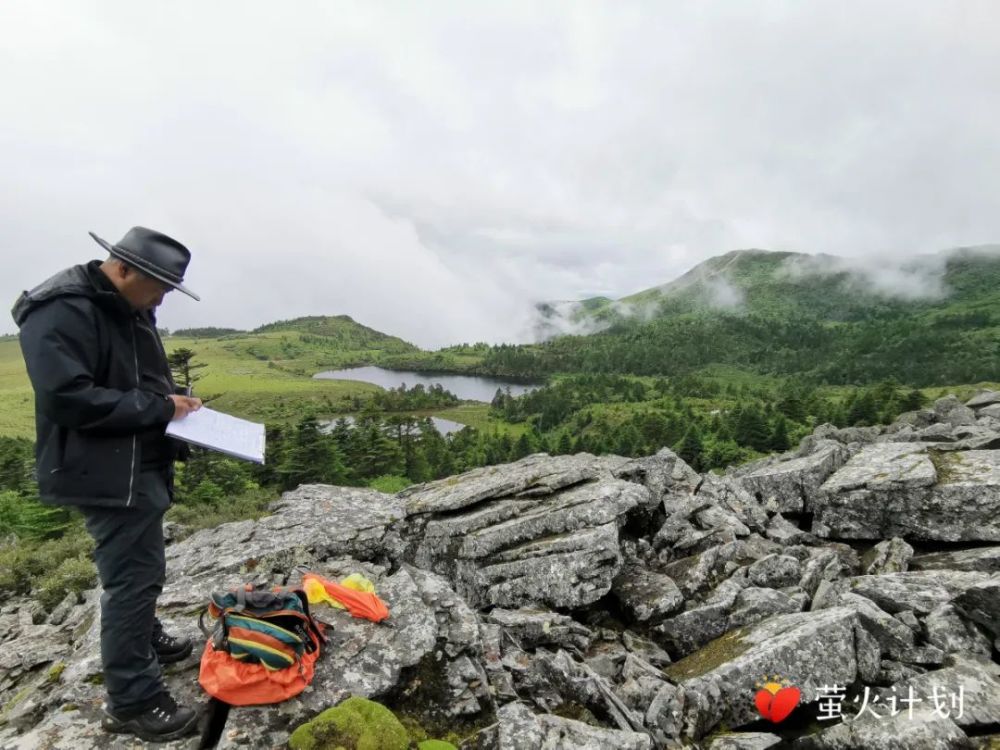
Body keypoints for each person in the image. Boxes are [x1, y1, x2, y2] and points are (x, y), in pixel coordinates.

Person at [12, 227, 204, 742]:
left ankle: (141, 639)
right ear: (123, 270)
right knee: (132, 579)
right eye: (160, 286)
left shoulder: (122, 303)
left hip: (134, 461)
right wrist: (161, 408)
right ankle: (133, 701)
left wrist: (174, 400)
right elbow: (68, 399)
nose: (162, 298)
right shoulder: (61, 310)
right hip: (104, 470)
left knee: (141, 570)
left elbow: (130, 376)